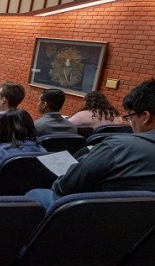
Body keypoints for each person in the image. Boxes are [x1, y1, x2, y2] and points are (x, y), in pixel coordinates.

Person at [27, 79, 155, 210]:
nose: (130, 122)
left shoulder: (117, 147)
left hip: (98, 216)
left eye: (130, 117)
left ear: (145, 117)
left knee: (35, 194)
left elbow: (66, 186)